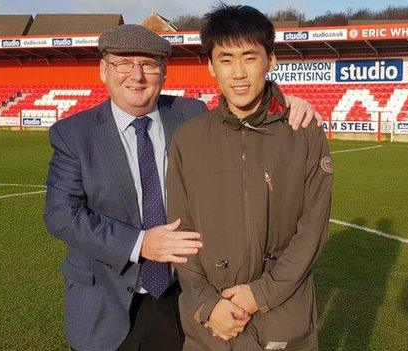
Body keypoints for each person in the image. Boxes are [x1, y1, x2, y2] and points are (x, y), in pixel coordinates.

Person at [43, 24, 321, 351]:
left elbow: (245, 105)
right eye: (123, 64)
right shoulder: (73, 133)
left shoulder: (190, 115)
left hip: (182, 297)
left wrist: (288, 103)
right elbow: (61, 214)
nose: (137, 75)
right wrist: (140, 243)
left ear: (164, 73)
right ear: (104, 69)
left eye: (149, 65)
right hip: (106, 302)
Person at [168, 4, 333, 350]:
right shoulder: (188, 138)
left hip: (282, 323)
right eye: (226, 59)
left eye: (249, 57)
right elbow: (181, 234)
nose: (238, 72)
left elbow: (312, 231)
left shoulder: (304, 133)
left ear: (270, 61)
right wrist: (208, 304)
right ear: (211, 66)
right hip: (211, 328)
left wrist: (261, 294)